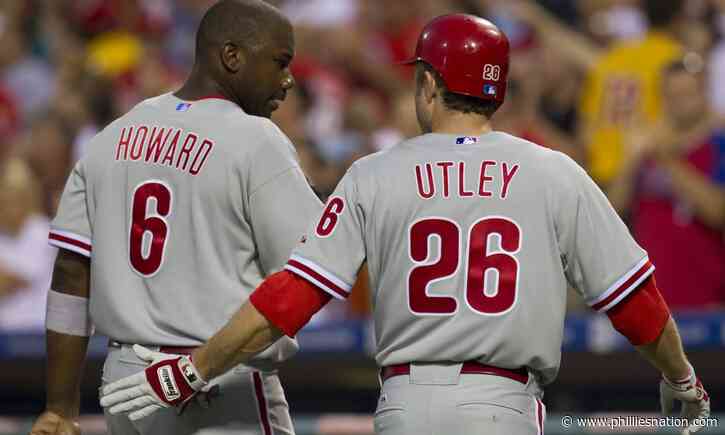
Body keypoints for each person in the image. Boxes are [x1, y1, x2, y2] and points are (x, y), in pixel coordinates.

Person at [101, 14, 711, 435]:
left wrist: (194, 365)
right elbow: (635, 301)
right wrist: (681, 377)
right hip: (501, 404)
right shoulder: (553, 171)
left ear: (428, 85)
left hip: (405, 403)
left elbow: (289, 298)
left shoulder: (375, 173)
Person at [30, 0, 321, 434]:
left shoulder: (114, 134)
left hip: (125, 383)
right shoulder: (257, 139)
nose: (288, 79)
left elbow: (71, 276)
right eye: (279, 62)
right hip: (214, 376)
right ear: (232, 56)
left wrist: (59, 407)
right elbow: (313, 267)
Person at [607, 59, 725, 309]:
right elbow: (612, 211)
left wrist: (665, 158)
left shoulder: (718, 144)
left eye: (687, 94)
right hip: (652, 299)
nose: (679, 102)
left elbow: (717, 212)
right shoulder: (645, 148)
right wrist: (630, 160)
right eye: (672, 95)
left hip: (708, 299)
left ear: (704, 92)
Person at [579, 0, 684, 186]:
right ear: (679, 18)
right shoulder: (677, 58)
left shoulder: (614, 55)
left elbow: (586, 127)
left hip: (598, 172)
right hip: (640, 173)